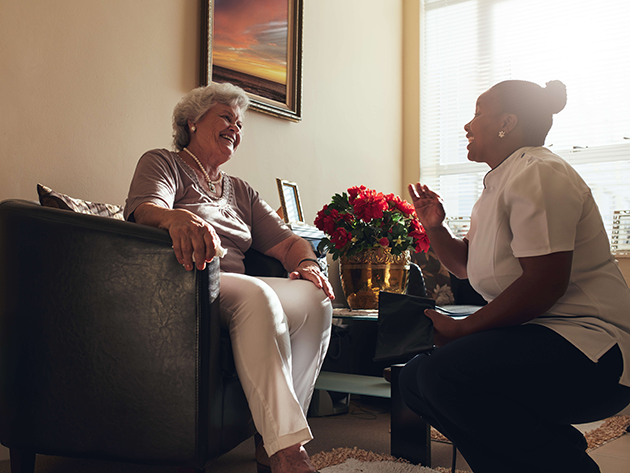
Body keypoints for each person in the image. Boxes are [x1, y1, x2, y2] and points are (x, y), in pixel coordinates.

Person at [400, 80, 630, 473]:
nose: (467, 126)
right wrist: (434, 227)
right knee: (415, 380)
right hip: (538, 337)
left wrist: (462, 329)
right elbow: (466, 267)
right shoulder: (498, 182)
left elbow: (545, 284)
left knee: (445, 374)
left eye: (477, 113)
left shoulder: (540, 172)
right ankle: (555, 455)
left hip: (593, 349)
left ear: (507, 122)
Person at [124, 82, 334, 473]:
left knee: (314, 300)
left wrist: (308, 265)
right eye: (225, 117)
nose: (235, 129)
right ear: (192, 122)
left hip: (237, 285)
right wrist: (177, 217)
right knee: (258, 296)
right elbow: (145, 208)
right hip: (188, 280)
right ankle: (288, 454)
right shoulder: (163, 162)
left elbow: (288, 243)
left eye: (239, 124)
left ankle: (269, 437)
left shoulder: (241, 190)